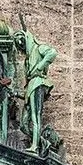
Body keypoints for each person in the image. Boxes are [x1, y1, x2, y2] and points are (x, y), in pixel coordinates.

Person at [13, 15, 57, 153]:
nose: (20, 44)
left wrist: (41, 65)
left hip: (38, 82)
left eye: (21, 41)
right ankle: (42, 142)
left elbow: (52, 52)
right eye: (18, 43)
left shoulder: (38, 48)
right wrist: (15, 93)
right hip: (31, 85)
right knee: (24, 125)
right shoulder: (27, 60)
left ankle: (35, 146)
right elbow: (27, 89)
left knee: (35, 116)